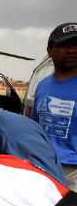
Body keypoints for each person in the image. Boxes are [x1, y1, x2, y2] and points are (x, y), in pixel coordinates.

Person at [30, 22, 77, 192]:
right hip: (44, 164)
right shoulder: (42, 86)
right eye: (65, 45)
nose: (72, 50)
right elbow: (34, 126)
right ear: (49, 50)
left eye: (76, 45)